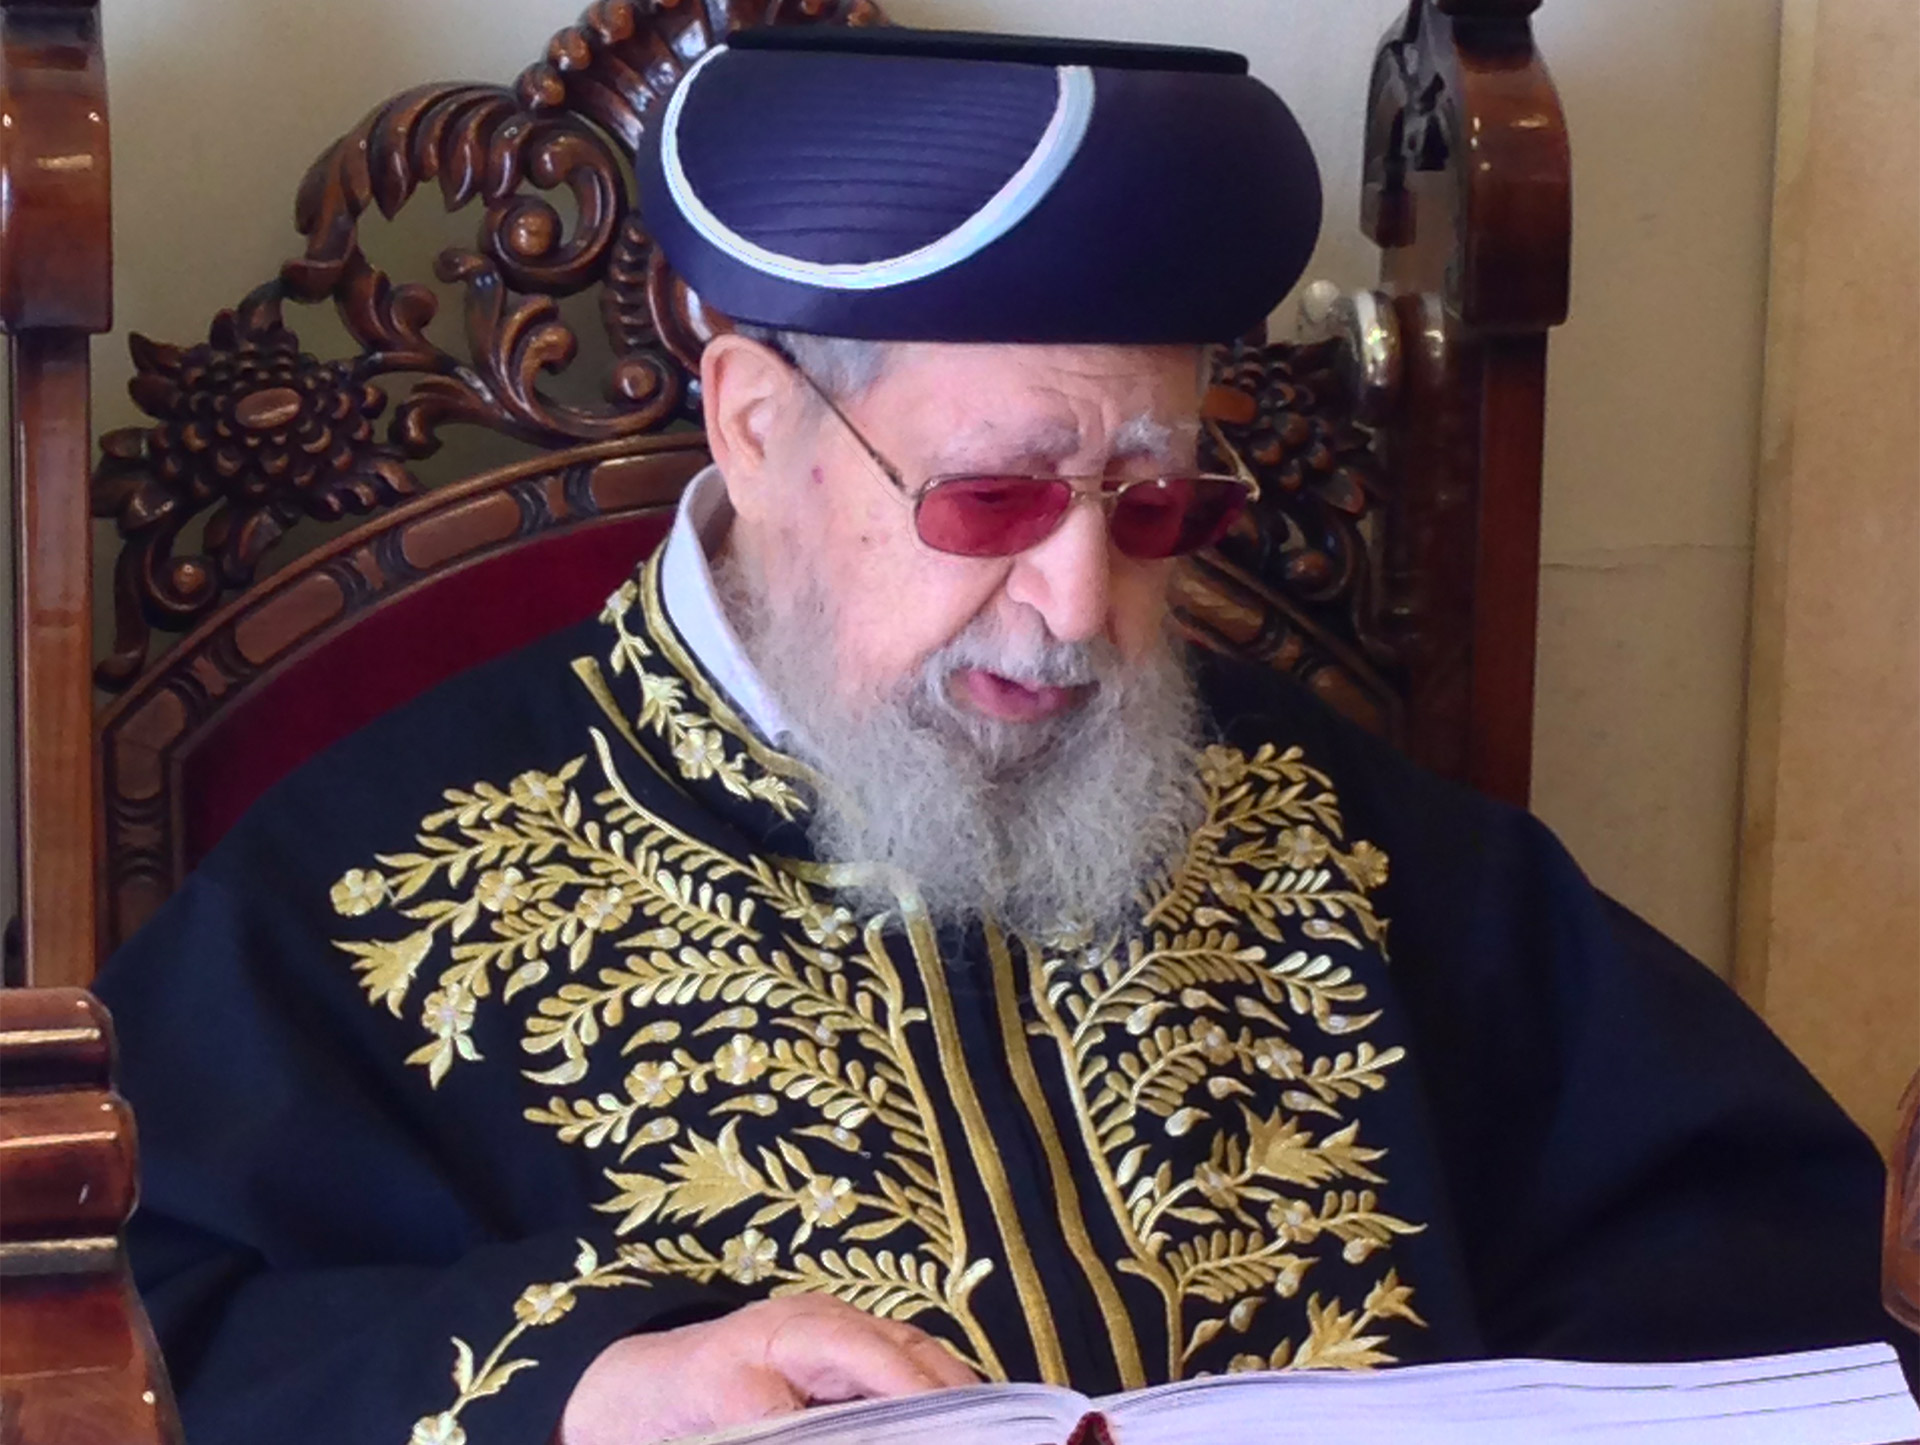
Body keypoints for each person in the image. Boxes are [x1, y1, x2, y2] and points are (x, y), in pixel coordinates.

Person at [94, 26, 1898, 1445]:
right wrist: (584, 1380)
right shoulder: (375, 881)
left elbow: (1731, 1234)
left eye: (1154, 504)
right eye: (994, 498)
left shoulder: (1333, 823)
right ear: (757, 427)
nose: (1079, 605)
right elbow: (134, 1320)